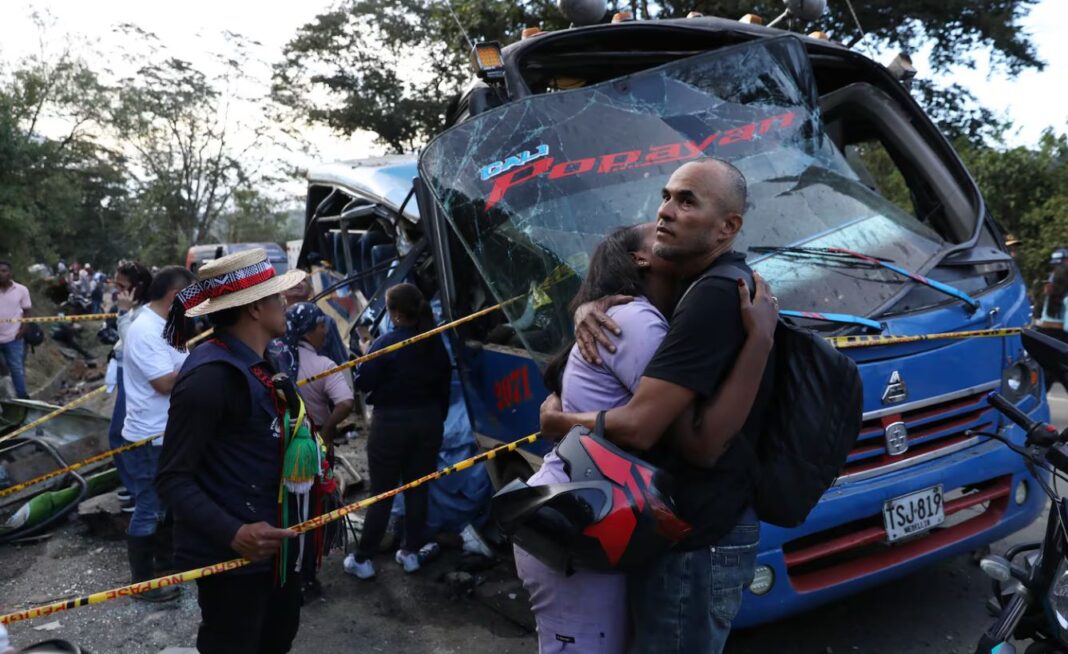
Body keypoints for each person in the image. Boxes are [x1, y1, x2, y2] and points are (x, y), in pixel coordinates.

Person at [540, 158, 776, 654]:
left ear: (727, 227)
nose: (667, 210)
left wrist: (559, 422)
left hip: (698, 534)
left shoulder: (708, 293)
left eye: (686, 200)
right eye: (666, 197)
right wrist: (592, 303)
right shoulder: (682, 299)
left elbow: (685, 439)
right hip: (681, 528)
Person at [156, 248, 308, 654]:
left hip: (274, 552)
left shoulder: (264, 361)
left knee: (276, 639)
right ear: (255, 309)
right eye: (277, 296)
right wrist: (234, 532)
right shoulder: (210, 379)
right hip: (235, 563)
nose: (285, 302)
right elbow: (172, 478)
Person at [343, 283, 451, 579]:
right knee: (418, 488)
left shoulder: (385, 344)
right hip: (428, 422)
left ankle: (364, 558)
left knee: (382, 493)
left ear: (396, 313)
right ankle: (411, 552)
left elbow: (363, 383)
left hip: (391, 425)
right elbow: (445, 388)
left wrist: (364, 356)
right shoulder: (434, 342)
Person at [269, 301, 354, 598]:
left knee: (283, 512)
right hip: (312, 453)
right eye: (320, 326)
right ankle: (305, 577)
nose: (324, 331)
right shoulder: (323, 365)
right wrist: (327, 431)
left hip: (278, 450)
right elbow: (345, 402)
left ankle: (282, 572)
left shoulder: (273, 360)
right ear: (309, 330)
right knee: (312, 514)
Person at [121, 265, 196, 602]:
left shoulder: (168, 325)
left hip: (168, 431)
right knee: (149, 506)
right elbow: (164, 382)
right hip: (151, 436)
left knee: (166, 502)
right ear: (174, 295)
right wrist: (202, 367)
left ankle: (165, 563)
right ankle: (141, 583)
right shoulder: (145, 330)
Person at [107, 260, 154, 513]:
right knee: (117, 434)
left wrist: (123, 313)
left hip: (134, 377)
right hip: (125, 373)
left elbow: (131, 343)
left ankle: (140, 492)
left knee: (124, 435)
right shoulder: (136, 309)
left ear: (137, 288)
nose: (117, 292)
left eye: (121, 286)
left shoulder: (145, 313)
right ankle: (132, 484)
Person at [284, 276, 349, 366]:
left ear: (311, 290)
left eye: (302, 280)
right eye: (290, 279)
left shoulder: (326, 322)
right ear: (282, 292)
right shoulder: (276, 325)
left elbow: (342, 363)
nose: (297, 283)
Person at [0, 261, 33, 399]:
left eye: (4, 271)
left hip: (14, 338)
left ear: (10, 273)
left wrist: (22, 331)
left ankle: (22, 398)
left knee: (16, 369)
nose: (1, 274)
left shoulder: (21, 290)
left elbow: (27, 312)